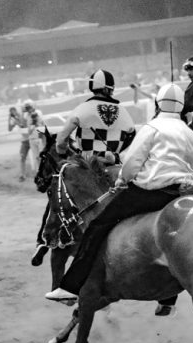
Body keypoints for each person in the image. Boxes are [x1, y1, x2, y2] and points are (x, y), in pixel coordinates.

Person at [45, 83, 193, 311]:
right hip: (182, 195)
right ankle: (168, 299)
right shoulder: (191, 133)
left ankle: (70, 287)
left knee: (98, 226)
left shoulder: (152, 127)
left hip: (151, 192)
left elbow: (132, 161)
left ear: (158, 104)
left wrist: (121, 181)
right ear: (181, 106)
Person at [32, 69, 136, 267]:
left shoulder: (82, 109)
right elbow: (132, 138)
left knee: (57, 194)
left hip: (85, 168)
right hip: (115, 169)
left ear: (92, 87)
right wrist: (114, 154)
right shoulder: (125, 113)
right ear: (111, 88)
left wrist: (63, 152)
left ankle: (45, 240)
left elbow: (62, 139)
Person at [55, 69, 136, 163]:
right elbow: (132, 136)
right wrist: (116, 152)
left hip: (87, 163)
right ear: (109, 89)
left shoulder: (81, 109)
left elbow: (62, 136)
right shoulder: (123, 111)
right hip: (114, 162)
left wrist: (62, 151)